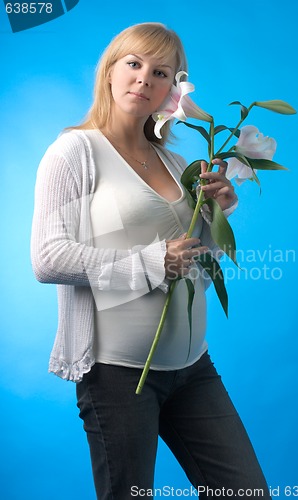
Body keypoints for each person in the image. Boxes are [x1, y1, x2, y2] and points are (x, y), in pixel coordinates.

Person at [31, 22, 271, 500]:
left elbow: (198, 269)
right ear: (110, 71)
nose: (144, 78)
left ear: (171, 89)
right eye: (134, 64)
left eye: (161, 72)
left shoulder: (178, 165)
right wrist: (152, 261)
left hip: (193, 369)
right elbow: (48, 258)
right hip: (118, 375)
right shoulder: (74, 152)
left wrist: (218, 214)